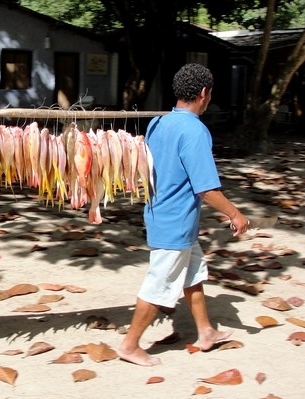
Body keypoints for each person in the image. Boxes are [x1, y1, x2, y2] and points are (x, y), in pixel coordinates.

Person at [118, 63, 249, 366]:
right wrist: (235, 214)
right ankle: (129, 345)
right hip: (174, 222)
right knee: (161, 285)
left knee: (193, 275)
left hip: (163, 213)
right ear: (204, 93)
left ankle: (205, 332)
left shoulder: (158, 123)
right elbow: (206, 188)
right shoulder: (195, 131)